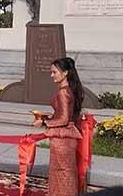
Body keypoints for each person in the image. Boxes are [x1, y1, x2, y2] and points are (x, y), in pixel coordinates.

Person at [32, 57, 83, 196]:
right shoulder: (69, 89)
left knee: (62, 173)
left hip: (63, 139)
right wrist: (48, 117)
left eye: (54, 72)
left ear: (65, 72)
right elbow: (65, 115)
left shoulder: (63, 92)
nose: (52, 75)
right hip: (66, 137)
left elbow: (64, 119)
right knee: (65, 173)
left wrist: (43, 122)